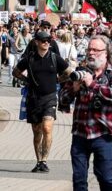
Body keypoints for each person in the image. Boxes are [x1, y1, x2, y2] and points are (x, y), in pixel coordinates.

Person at [60, 35, 112, 191]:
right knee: (79, 180)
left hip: (103, 133)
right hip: (80, 133)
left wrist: (92, 84)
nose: (91, 53)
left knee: (105, 177)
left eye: (95, 50)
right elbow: (62, 99)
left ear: (106, 53)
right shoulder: (80, 72)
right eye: (89, 49)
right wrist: (73, 89)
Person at [13, 29, 74, 173]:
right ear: (36, 42)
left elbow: (69, 72)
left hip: (50, 97)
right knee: (36, 132)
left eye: (48, 40)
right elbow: (15, 72)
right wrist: (26, 80)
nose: (46, 42)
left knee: (47, 127)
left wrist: (59, 80)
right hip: (33, 98)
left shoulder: (54, 58)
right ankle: (38, 160)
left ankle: (44, 160)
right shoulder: (29, 58)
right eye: (43, 40)